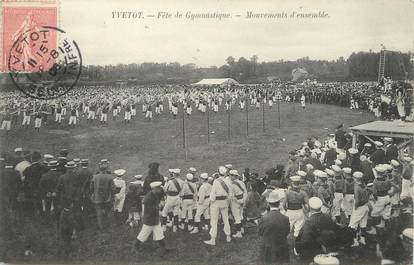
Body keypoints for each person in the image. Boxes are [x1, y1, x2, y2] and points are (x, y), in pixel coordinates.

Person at [295, 197, 337, 263]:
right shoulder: (327, 217)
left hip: (315, 250)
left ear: (310, 207)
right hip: (328, 246)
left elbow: (305, 240)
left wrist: (297, 249)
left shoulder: (309, 221)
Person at [134, 181, 170, 254]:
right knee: (143, 235)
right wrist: (159, 207)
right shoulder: (149, 197)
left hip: (154, 219)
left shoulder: (153, 194)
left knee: (160, 234)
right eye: (158, 188)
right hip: (150, 220)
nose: (160, 189)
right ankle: (136, 247)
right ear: (154, 188)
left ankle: (163, 248)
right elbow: (150, 209)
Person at [258, 190, 290, 264]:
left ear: (268, 204)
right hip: (282, 247)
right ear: (279, 203)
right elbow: (287, 232)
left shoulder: (263, 218)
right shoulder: (285, 218)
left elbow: (260, 233)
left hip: (268, 247)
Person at [204, 166, 232, 246]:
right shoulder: (228, 181)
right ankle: (228, 236)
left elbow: (212, 194)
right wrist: (227, 201)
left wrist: (212, 202)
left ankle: (213, 239)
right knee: (225, 219)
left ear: (218, 173)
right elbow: (230, 193)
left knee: (214, 221)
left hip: (216, 203)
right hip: (224, 202)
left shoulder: (216, 181)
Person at [90, 160, 114, 230]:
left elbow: (91, 188)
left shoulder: (95, 177)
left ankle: (101, 226)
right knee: (107, 212)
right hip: (107, 198)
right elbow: (113, 188)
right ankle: (107, 225)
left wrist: (93, 193)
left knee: (99, 212)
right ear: (106, 169)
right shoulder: (110, 177)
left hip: (97, 197)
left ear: (99, 169)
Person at [348, 171, 370, 247]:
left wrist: (356, 206)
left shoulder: (356, 187)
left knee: (352, 225)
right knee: (363, 224)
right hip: (365, 206)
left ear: (355, 178)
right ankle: (362, 239)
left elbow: (357, 200)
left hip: (359, 207)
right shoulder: (364, 185)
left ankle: (355, 241)